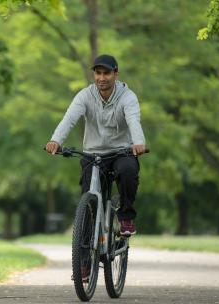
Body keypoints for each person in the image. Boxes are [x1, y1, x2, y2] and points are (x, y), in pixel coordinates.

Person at [45, 54, 146, 236]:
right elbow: (69, 119)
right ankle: (85, 251)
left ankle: (126, 218)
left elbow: (133, 121)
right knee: (88, 200)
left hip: (122, 152)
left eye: (106, 73)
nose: (101, 78)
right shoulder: (85, 96)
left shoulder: (128, 97)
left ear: (116, 74)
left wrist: (138, 142)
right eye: (98, 73)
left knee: (128, 171)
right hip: (93, 154)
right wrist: (56, 140)